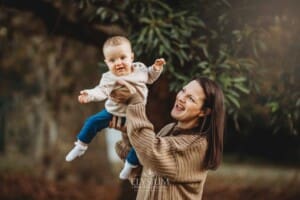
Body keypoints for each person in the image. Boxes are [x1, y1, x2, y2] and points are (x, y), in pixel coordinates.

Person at [65, 36, 165, 180]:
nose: (118, 63)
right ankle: (81, 146)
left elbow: (150, 77)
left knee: (142, 141)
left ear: (131, 57)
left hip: (134, 117)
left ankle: (130, 165)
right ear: (106, 63)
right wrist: (89, 95)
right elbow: (101, 91)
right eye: (112, 60)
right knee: (92, 122)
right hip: (112, 113)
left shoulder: (140, 69)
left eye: (122, 58)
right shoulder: (108, 77)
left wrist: (156, 68)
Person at [110, 76, 225, 200]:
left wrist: (135, 100)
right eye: (183, 90)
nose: (181, 98)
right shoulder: (168, 129)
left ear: (204, 112)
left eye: (191, 98)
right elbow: (144, 173)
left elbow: (151, 152)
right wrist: (128, 133)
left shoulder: (197, 146)